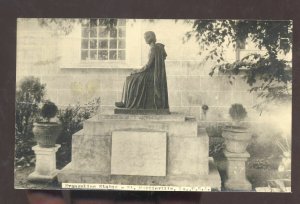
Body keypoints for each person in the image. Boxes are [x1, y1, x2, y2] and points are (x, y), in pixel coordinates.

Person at [115, 31, 169, 110]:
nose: (145, 39)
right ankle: (124, 102)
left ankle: (125, 103)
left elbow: (148, 66)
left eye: (146, 37)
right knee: (129, 78)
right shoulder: (154, 48)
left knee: (130, 79)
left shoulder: (153, 49)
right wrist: (138, 71)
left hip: (151, 75)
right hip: (150, 73)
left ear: (150, 38)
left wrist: (137, 71)